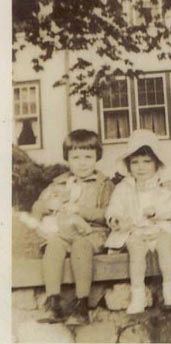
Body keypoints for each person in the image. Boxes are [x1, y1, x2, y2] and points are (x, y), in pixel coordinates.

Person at [32, 129, 114, 325]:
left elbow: (108, 214)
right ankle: (53, 302)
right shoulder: (59, 183)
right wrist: (45, 207)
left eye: (88, 157)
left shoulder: (104, 184)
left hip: (94, 233)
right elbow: (37, 207)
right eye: (76, 157)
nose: (82, 162)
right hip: (65, 232)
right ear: (67, 158)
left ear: (97, 157)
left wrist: (81, 210)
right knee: (53, 245)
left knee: (81, 246)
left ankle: (82, 304)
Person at [105, 130, 171, 314]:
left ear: (157, 163)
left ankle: (170, 288)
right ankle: (138, 294)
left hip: (161, 227)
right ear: (128, 165)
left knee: (166, 244)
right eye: (135, 162)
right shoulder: (124, 187)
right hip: (135, 230)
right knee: (135, 248)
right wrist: (115, 219)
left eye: (147, 161)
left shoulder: (166, 184)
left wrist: (158, 213)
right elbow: (114, 207)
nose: (141, 167)